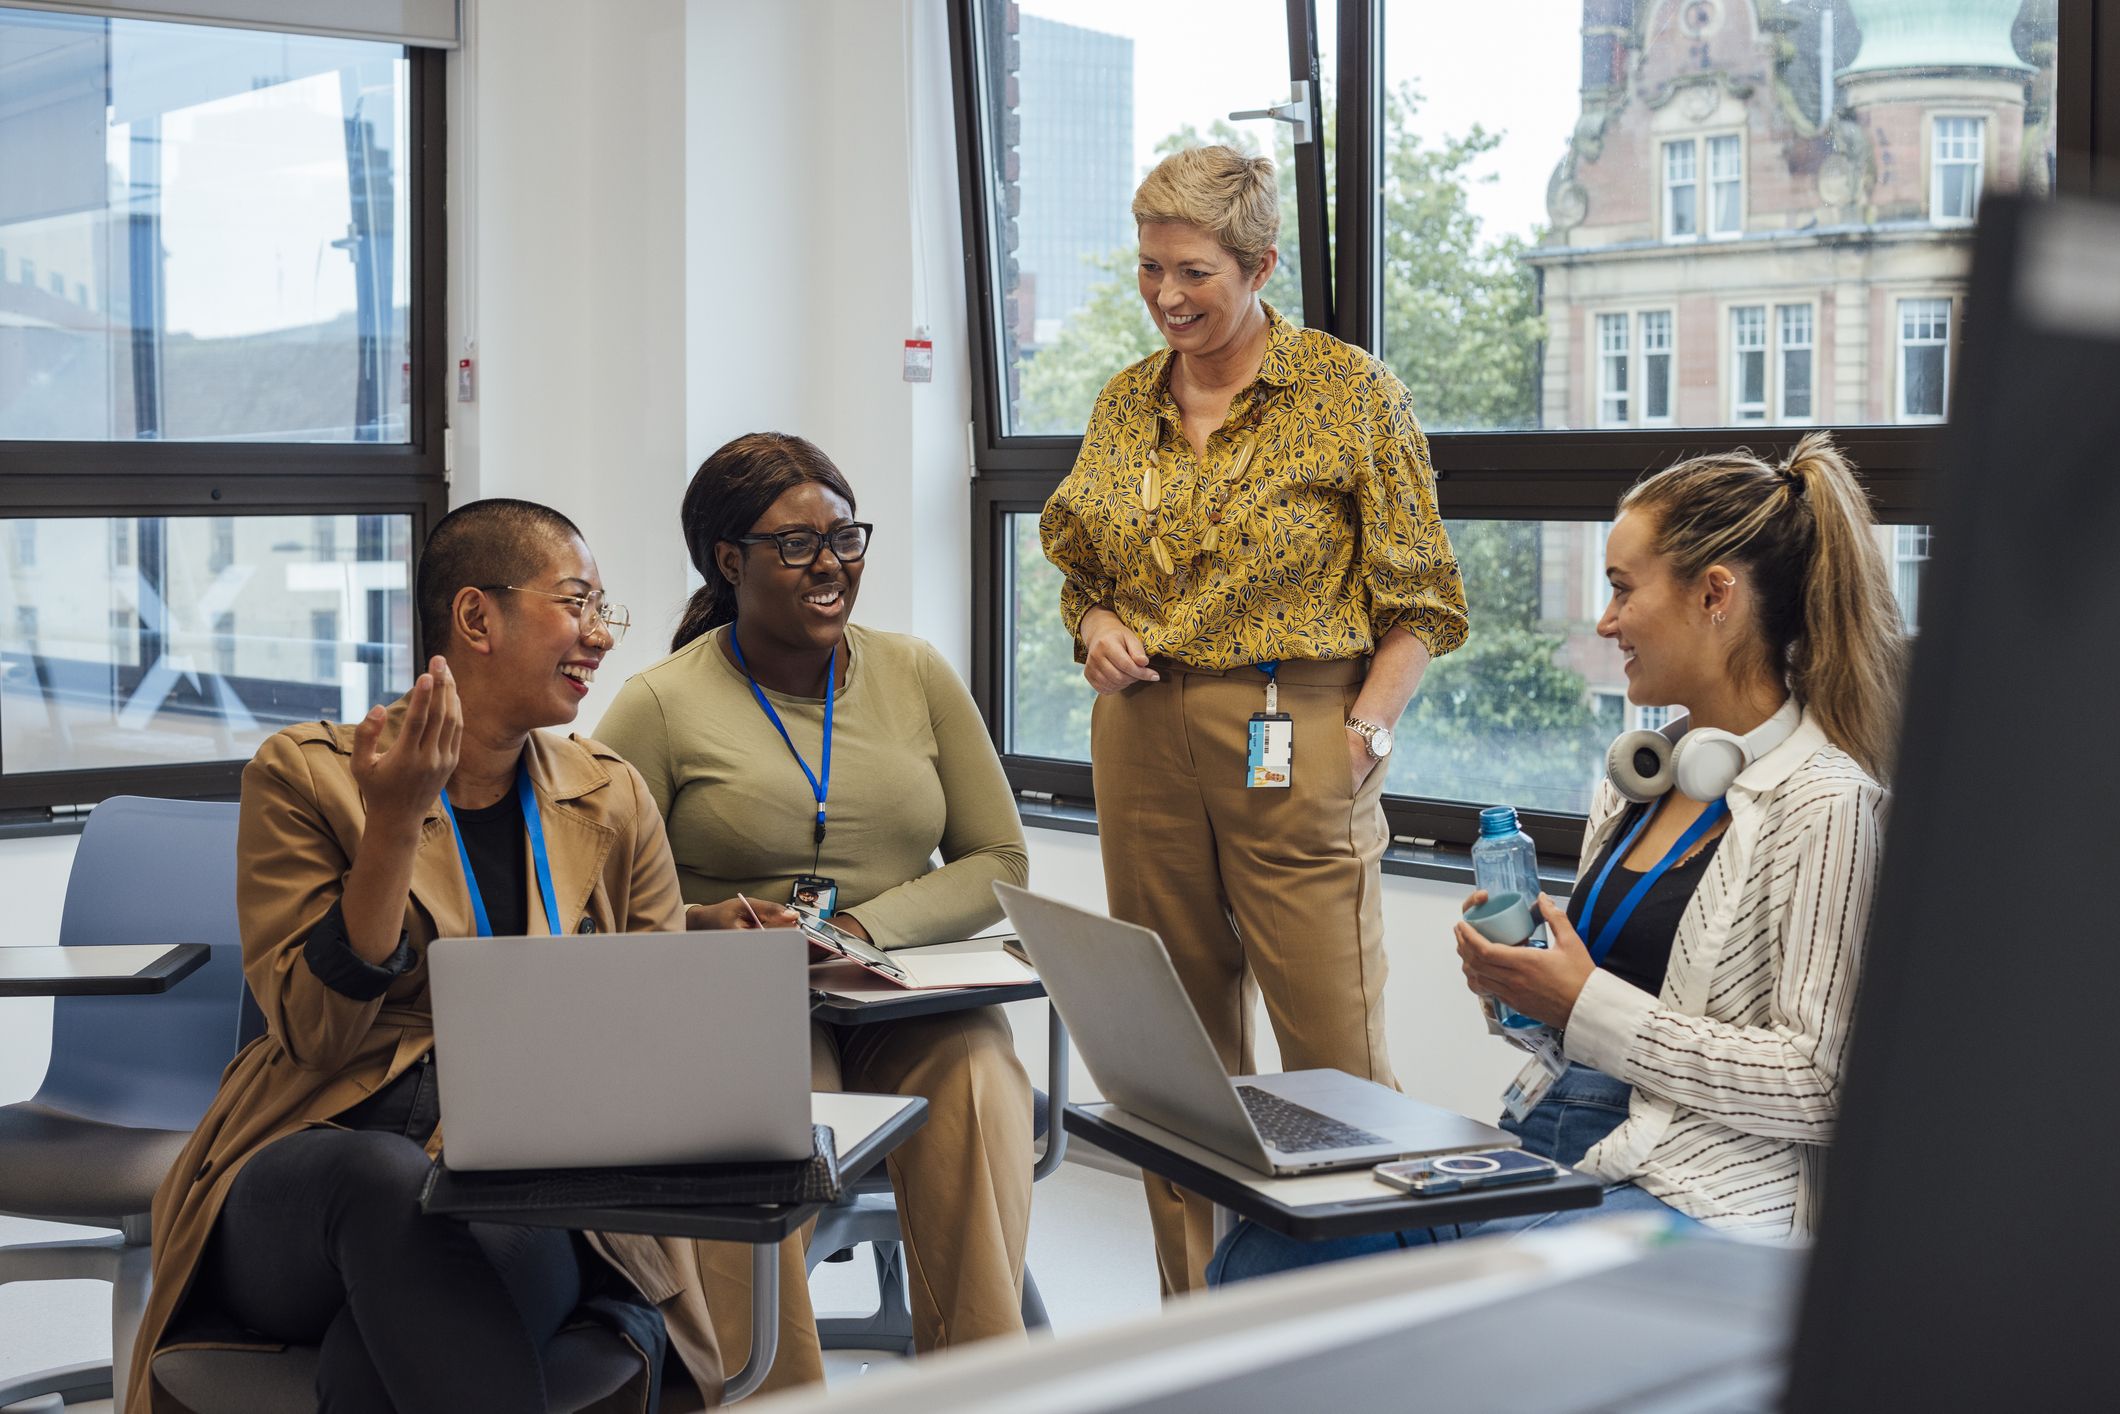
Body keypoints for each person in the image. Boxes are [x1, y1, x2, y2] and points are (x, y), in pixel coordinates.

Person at [1210, 432, 1904, 1284]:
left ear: (1715, 594)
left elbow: (1821, 1083)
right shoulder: (1639, 775)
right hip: (1560, 1137)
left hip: (1694, 1191)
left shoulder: (1828, 803)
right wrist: (1523, 986)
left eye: (1621, 590)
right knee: (1279, 1239)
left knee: (1420, 1289)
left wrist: (1586, 1003)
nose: (1606, 621)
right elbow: (1577, 1014)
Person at [128, 499, 733, 1412]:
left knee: (384, 1349)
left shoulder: (612, 797)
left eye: (605, 611)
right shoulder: (304, 773)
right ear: (477, 617)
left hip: (524, 1181)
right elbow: (315, 1036)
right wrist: (395, 823)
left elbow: (646, 1036)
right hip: (317, 1154)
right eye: (578, 604)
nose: (601, 636)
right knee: (385, 1180)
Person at [1039, 144, 1470, 1294]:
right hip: (1139, 726)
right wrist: (1091, 627)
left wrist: (1366, 733)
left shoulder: (1349, 392)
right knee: (1172, 1046)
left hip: (1296, 719)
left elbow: (1422, 597)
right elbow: (1077, 565)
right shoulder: (1125, 399)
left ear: (1259, 263)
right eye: (1147, 271)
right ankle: (1198, 1307)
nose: (1166, 296)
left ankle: (1352, 1306)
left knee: (1331, 1040)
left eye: (1192, 272)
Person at [594, 432, 1034, 1394]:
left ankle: (980, 1384)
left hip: (900, 998)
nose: (832, 564)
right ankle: (772, 1391)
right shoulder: (660, 705)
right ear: (729, 560)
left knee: (980, 1075)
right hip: (741, 1005)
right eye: (797, 545)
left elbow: (998, 857)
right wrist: (719, 926)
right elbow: (596, 896)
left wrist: (864, 932)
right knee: (762, 1104)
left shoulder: (915, 672)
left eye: (846, 537)